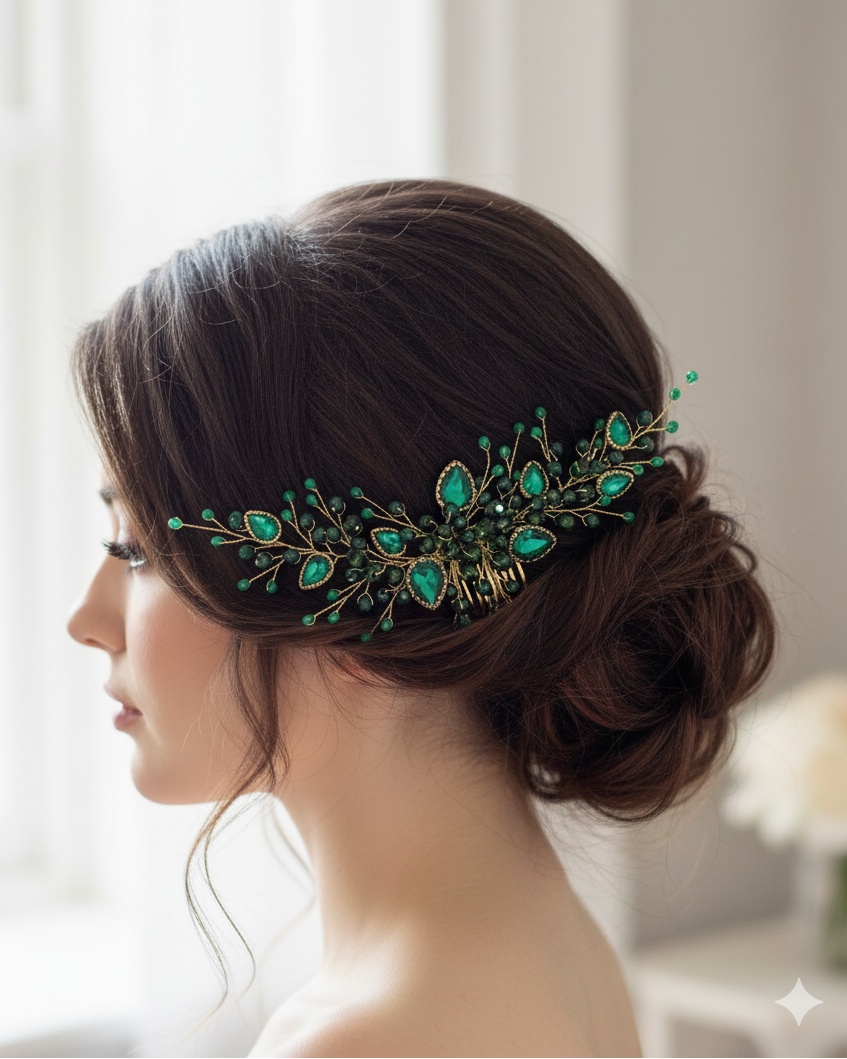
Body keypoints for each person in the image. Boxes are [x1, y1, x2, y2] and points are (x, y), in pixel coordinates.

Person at [67, 179, 775, 1058]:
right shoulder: (544, 936)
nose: (85, 619)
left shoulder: (365, 1038)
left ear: (361, 615)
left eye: (138, 550)